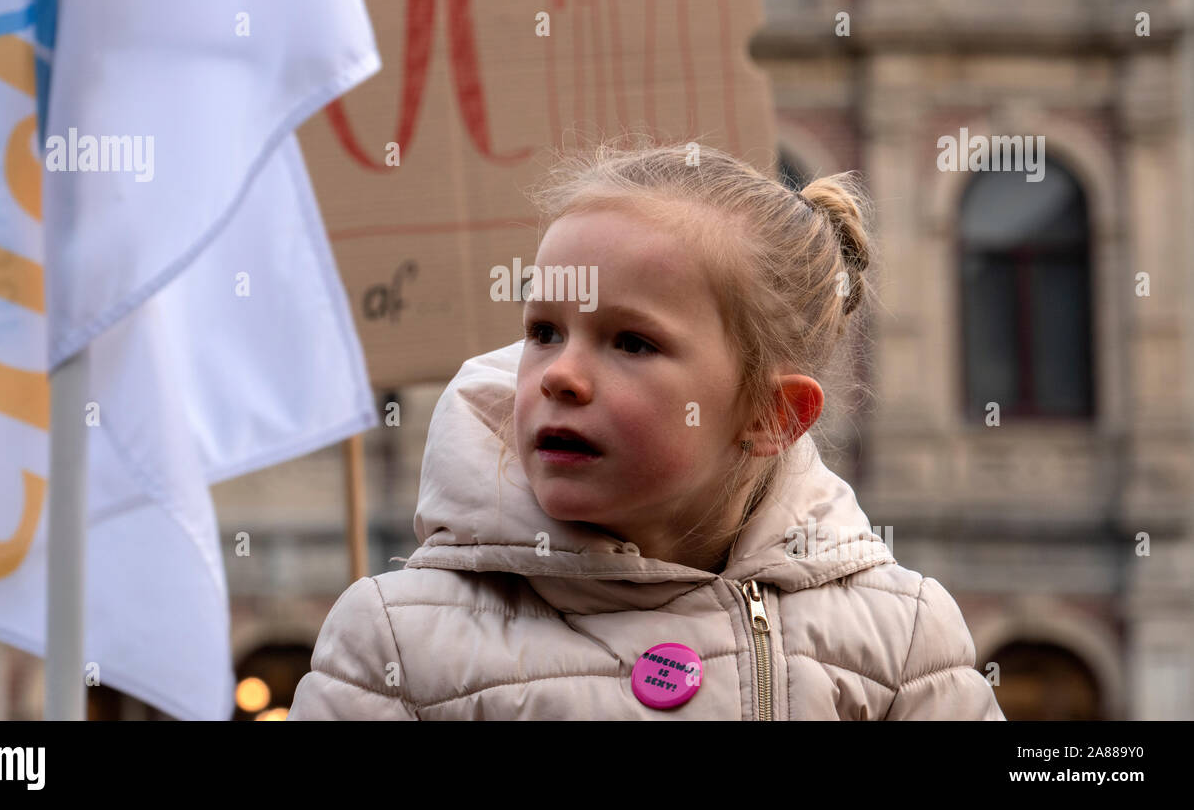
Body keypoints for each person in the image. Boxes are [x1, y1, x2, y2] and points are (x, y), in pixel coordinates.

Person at [288, 141, 1006, 720]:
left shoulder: (902, 639)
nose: (558, 376)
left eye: (630, 343)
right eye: (543, 331)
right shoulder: (395, 640)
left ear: (772, 416)